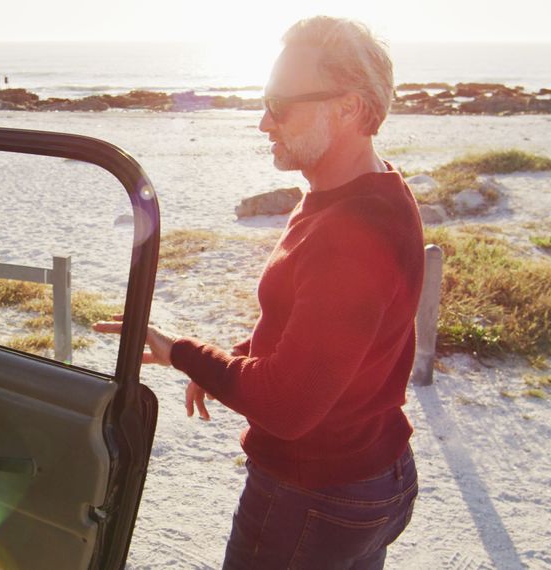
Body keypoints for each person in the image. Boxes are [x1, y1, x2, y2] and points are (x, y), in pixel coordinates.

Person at [95, 16, 424, 569]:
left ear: (347, 107)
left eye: (280, 104)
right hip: (370, 470)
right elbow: (324, 337)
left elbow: (288, 407)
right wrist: (231, 363)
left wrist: (184, 354)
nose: (263, 122)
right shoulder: (360, 190)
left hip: (315, 493)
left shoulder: (351, 231)